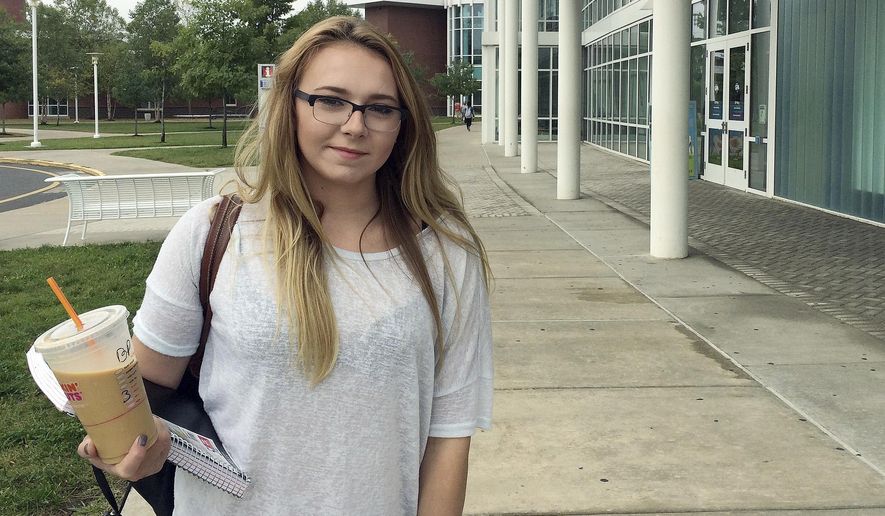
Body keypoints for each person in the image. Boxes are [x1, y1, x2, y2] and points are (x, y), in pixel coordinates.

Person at [77, 16, 493, 515]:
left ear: (403, 125)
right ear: (289, 105)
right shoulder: (212, 232)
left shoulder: (446, 253)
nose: (355, 125)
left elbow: (448, 436)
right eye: (331, 100)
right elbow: (147, 386)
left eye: (380, 108)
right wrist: (130, 447)